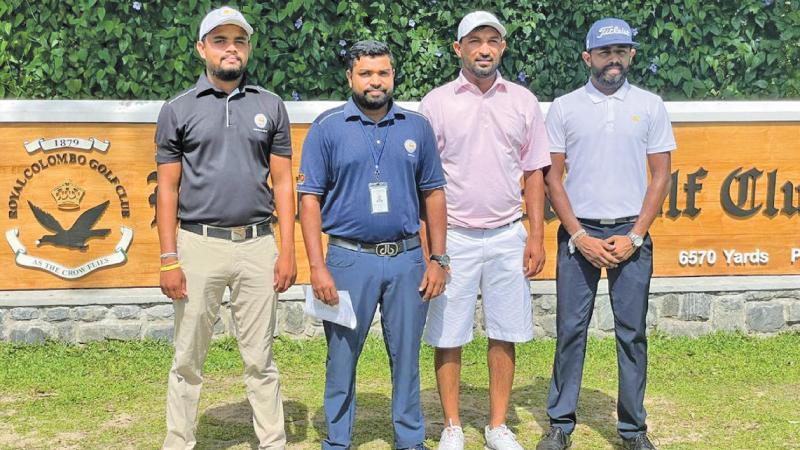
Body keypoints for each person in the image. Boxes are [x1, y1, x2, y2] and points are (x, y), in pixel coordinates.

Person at [154, 6, 296, 449]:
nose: (231, 48)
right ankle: (179, 442)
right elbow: (167, 190)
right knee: (187, 360)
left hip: (258, 245)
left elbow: (285, 182)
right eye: (220, 40)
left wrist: (288, 251)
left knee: (261, 360)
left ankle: (272, 442)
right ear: (202, 49)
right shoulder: (177, 110)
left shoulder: (270, 105)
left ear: (248, 48)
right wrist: (168, 258)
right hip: (199, 246)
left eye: (239, 40)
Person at [298, 39, 448, 450]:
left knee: (406, 359)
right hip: (348, 260)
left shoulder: (416, 127)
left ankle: (410, 439)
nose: (375, 81)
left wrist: (438, 258)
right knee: (342, 358)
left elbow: (433, 193)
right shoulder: (328, 128)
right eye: (366, 73)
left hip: (406, 261)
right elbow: (308, 199)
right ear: (350, 77)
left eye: (383, 72)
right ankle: (337, 441)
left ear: (393, 76)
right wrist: (316, 266)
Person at [536, 17, 675, 450]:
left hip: (631, 236)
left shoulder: (651, 106)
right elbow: (552, 178)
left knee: (631, 333)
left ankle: (633, 430)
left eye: (621, 51)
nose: (613, 59)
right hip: (580, 237)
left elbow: (661, 176)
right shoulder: (564, 107)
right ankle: (560, 425)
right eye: (604, 52)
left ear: (631, 55)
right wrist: (578, 235)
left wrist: (635, 235)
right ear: (587, 57)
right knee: (570, 331)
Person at [420, 11, 551, 450]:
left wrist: (536, 235)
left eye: (493, 40)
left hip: (506, 234)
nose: (484, 49)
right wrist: (431, 248)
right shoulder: (435, 103)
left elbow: (534, 172)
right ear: (458, 48)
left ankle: (497, 425)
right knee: (448, 333)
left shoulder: (523, 101)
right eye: (474, 41)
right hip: (452, 236)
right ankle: (452, 425)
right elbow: (424, 180)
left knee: (505, 330)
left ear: (503, 47)